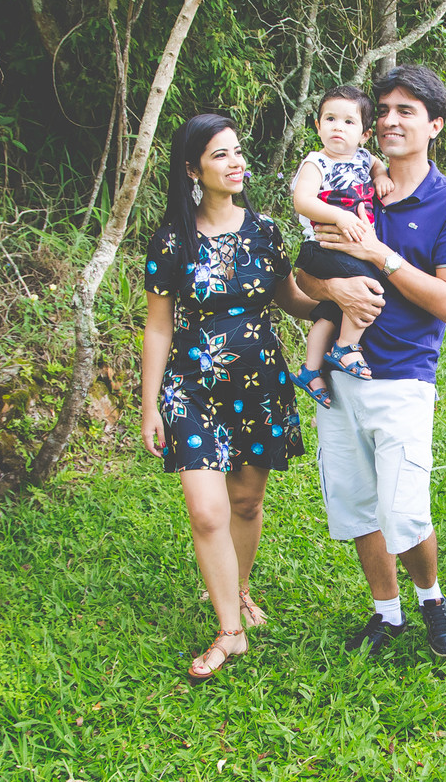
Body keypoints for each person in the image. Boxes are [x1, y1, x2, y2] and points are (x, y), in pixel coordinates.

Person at [296, 65, 446, 657]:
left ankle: (430, 598)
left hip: (404, 377)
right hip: (341, 376)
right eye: (384, 110)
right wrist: (335, 293)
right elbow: (307, 276)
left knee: (406, 510)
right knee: (356, 506)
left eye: (407, 111)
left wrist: (379, 254)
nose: (391, 120)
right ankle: (387, 612)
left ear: (435, 125)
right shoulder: (344, 188)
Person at [140, 113, 317, 680]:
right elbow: (158, 327)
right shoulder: (171, 238)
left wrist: (341, 303)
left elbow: (291, 298)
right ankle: (230, 632)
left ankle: (238, 589)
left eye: (237, 152)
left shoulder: (265, 231)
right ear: (193, 169)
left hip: (260, 385)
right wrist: (149, 405)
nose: (237, 162)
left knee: (244, 503)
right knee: (207, 510)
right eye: (221, 155)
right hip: (191, 386)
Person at [290, 85, 395, 406]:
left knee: (334, 310)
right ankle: (346, 348)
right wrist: (340, 217)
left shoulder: (364, 157)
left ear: (364, 135)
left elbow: (378, 165)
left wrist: (380, 175)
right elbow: (302, 200)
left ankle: (310, 369)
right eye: (330, 119)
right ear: (318, 126)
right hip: (321, 247)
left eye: (348, 122)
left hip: (345, 248)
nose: (338, 126)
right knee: (369, 287)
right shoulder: (316, 163)